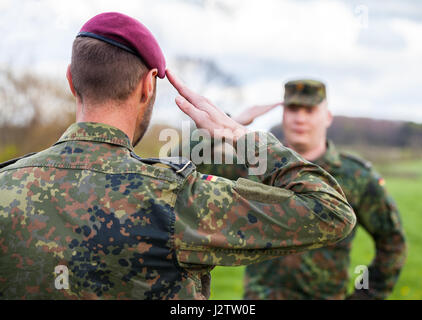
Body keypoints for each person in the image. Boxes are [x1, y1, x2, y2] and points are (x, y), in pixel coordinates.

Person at [0, 13, 356, 300]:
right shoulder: (172, 198)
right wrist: (240, 136)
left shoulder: (5, 185)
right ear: (148, 85)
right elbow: (330, 211)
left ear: (71, 80)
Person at [204, 79, 406, 299]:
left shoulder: (355, 176)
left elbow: (392, 241)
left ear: (327, 117)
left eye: (309, 110)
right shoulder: (255, 164)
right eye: (292, 109)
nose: (300, 118)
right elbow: (185, 163)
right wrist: (230, 124)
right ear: (283, 116)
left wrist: (366, 295)